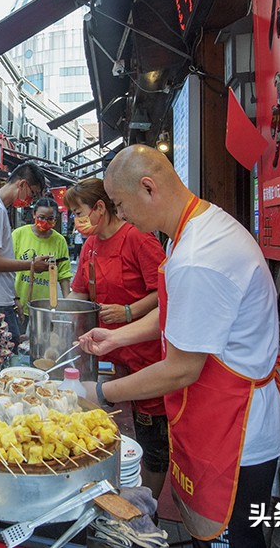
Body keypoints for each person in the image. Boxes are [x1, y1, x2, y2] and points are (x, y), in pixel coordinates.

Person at [78, 145, 280, 547]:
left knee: (232, 540)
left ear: (148, 188)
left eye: (121, 204)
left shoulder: (198, 255)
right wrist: (117, 337)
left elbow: (181, 368)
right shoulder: (191, 230)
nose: (120, 215)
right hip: (214, 419)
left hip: (237, 433)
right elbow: (183, 314)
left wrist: (98, 392)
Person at [64, 177, 167, 498]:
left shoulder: (138, 238)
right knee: (102, 433)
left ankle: (146, 506)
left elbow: (164, 292)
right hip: (105, 354)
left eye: (79, 211)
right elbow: (78, 292)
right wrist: (56, 321)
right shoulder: (91, 245)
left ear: (99, 208)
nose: (76, 220)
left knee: (152, 439)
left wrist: (127, 311)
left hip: (145, 355)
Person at [0, 161, 50, 344]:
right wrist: (31, 265)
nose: (30, 201)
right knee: (2, 359)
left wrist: (14, 296)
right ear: (22, 184)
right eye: (32, 194)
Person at [12, 197, 72, 326]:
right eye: (41, 217)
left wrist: (69, 304)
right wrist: (14, 298)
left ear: (56, 219)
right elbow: (8, 270)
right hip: (20, 303)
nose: (45, 221)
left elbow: (64, 275)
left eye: (50, 218)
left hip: (46, 307)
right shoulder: (18, 235)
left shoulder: (59, 241)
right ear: (34, 214)